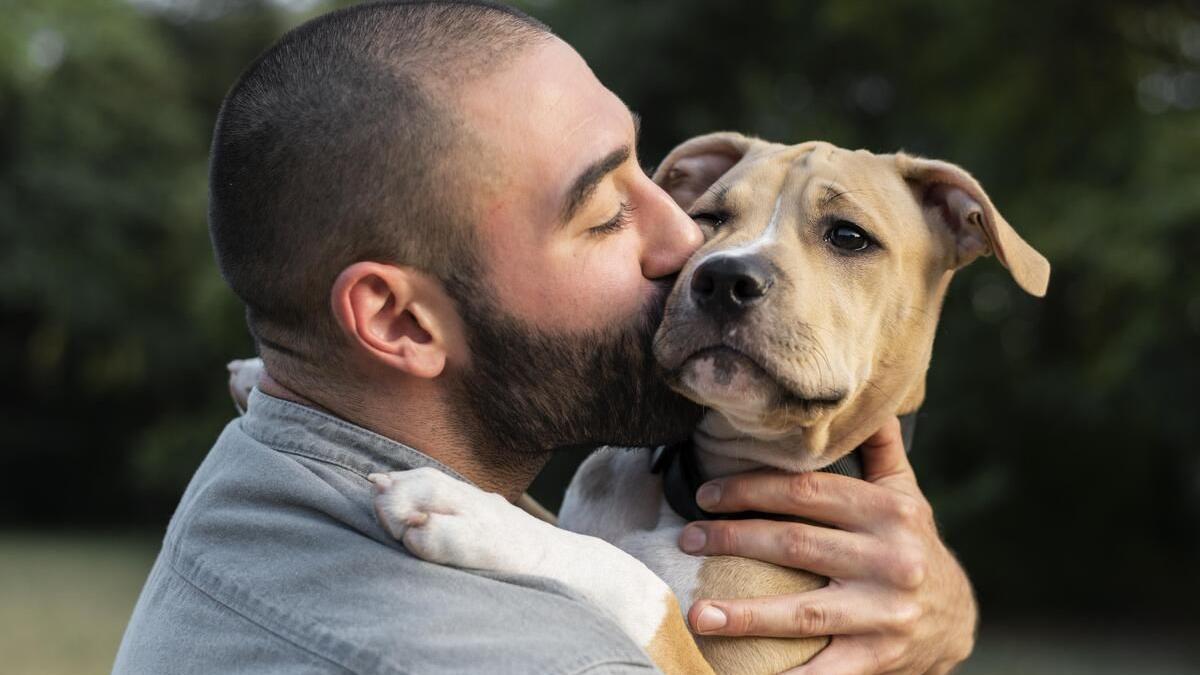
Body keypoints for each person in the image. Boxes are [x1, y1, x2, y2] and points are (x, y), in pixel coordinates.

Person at [114, 2, 976, 673]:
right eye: (604, 215)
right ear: (398, 322)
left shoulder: (262, 467)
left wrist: (947, 610)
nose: (687, 247)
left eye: (655, 176)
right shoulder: (562, 657)